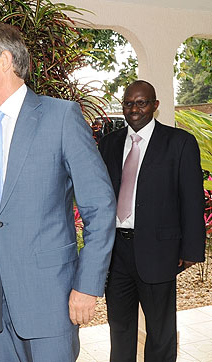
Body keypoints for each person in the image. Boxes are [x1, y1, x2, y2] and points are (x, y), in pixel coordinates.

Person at [0, 23, 116, 362]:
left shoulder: (61, 117)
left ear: (5, 60)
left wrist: (88, 284)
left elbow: (99, 207)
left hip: (52, 297)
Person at [98, 80, 206, 362]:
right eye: (128, 103)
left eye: (141, 102)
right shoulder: (109, 144)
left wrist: (191, 250)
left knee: (161, 332)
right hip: (116, 253)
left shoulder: (179, 142)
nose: (134, 109)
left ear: (155, 106)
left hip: (159, 251)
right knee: (119, 329)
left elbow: (192, 199)